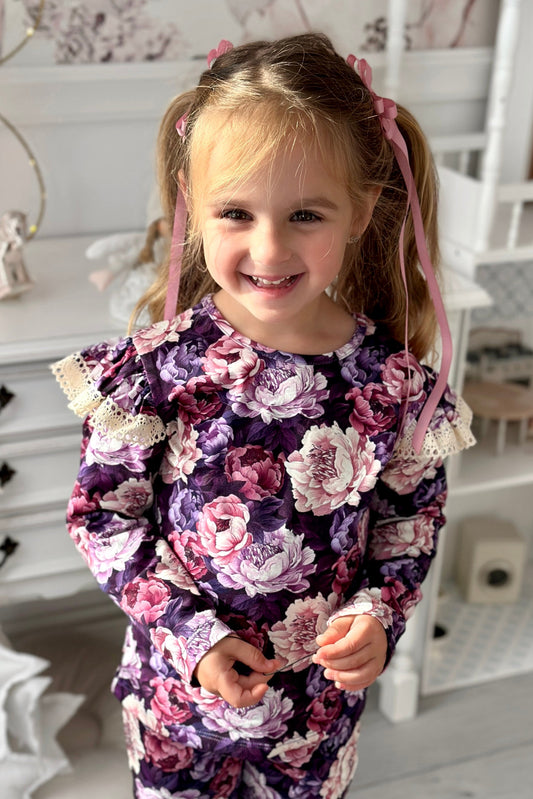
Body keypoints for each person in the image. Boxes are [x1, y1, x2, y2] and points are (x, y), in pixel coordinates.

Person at [52, 33, 475, 799]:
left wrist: (379, 615)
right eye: (237, 212)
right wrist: (193, 635)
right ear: (194, 207)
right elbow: (106, 516)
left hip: (315, 720)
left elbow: (407, 525)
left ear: (359, 213)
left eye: (305, 212)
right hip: (177, 704)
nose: (269, 247)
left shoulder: (396, 388)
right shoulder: (153, 371)